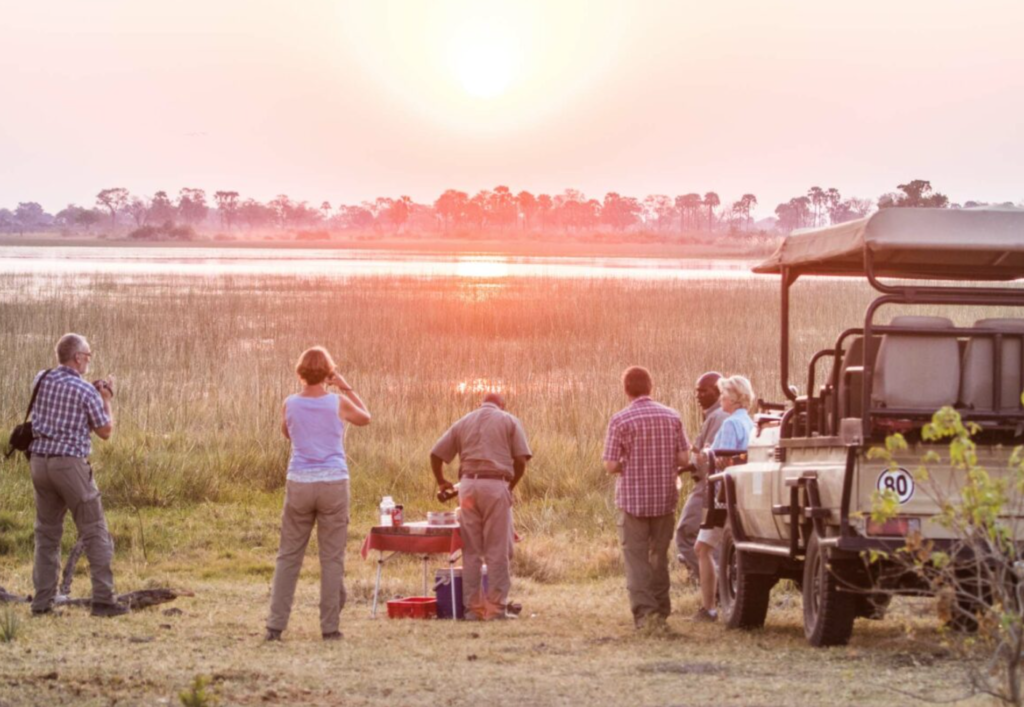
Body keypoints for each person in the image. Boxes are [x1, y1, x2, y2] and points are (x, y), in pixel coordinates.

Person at [266, 346, 371, 641]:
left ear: (300, 373)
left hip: (299, 482)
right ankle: (329, 628)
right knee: (331, 558)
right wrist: (345, 385)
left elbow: (287, 433)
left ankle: (275, 626)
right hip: (334, 483)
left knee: (288, 556)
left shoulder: (290, 403)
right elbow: (366, 417)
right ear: (327, 374)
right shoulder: (337, 402)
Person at [28, 333, 124, 617]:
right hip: (69, 466)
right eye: (88, 356)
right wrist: (105, 398)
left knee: (46, 535)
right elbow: (105, 430)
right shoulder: (85, 392)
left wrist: (91, 392)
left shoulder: (40, 379)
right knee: (95, 531)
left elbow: (57, 408)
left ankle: (42, 603)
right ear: (78, 357)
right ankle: (104, 600)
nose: (89, 361)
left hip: (39, 463)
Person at [602, 366, 690, 629]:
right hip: (664, 498)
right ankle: (662, 609)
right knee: (659, 556)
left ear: (626, 389)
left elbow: (609, 464)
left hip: (633, 499)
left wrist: (626, 463)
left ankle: (645, 614)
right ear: (650, 387)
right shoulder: (672, 416)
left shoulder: (620, 420)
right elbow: (685, 458)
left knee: (636, 558)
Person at [431, 392, 531, 621]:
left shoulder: (464, 421)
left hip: (466, 489)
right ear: (502, 405)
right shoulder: (509, 420)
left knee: (471, 550)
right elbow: (521, 462)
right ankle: (496, 610)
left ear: (480, 404)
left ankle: (472, 610)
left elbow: (435, 454)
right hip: (496, 486)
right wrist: (509, 488)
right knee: (497, 551)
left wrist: (441, 481)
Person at [692, 375, 756, 622]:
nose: (721, 400)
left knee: (702, 547)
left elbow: (719, 460)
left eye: (723, 395)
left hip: (722, 495)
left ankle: (709, 607)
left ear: (731, 397)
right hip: (741, 492)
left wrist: (704, 455)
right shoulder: (750, 424)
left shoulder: (730, 425)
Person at [674, 372, 729, 581]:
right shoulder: (714, 415)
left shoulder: (718, 417)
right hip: (713, 484)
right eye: (697, 391)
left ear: (718, 391)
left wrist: (690, 465)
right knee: (713, 537)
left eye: (703, 391)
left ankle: (713, 583)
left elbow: (709, 458)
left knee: (687, 533)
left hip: (709, 485)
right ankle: (719, 582)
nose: (698, 395)